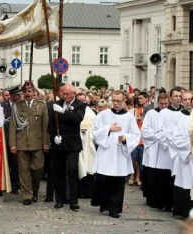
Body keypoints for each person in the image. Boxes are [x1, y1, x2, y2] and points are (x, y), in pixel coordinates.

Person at [91, 90, 140, 218]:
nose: (116, 103)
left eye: (119, 101)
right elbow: (95, 131)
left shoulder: (129, 117)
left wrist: (126, 138)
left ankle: (115, 209)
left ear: (124, 101)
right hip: (106, 152)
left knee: (117, 182)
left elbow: (136, 134)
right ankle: (104, 204)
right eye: (114, 101)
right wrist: (108, 129)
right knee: (104, 180)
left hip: (120, 154)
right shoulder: (103, 115)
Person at [9, 81, 49, 206]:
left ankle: (35, 191)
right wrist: (12, 144)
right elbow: (12, 126)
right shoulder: (17, 106)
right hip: (21, 142)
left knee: (37, 169)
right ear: (23, 93)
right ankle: (27, 195)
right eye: (25, 91)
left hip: (37, 142)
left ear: (34, 92)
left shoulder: (41, 106)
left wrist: (46, 143)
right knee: (23, 170)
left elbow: (45, 127)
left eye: (30, 91)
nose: (28, 93)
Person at [48, 84, 86, 210]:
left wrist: (63, 111)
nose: (64, 96)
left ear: (73, 93)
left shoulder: (80, 105)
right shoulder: (56, 103)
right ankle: (60, 199)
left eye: (67, 94)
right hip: (58, 145)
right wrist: (54, 136)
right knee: (58, 172)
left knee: (72, 170)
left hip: (72, 144)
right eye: (63, 93)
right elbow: (50, 124)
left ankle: (73, 200)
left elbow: (77, 119)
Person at [155, 87, 183, 212]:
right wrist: (171, 139)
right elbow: (158, 131)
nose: (178, 98)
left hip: (181, 150)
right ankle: (166, 203)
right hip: (166, 149)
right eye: (175, 96)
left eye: (179, 96)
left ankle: (177, 204)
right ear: (170, 98)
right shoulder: (163, 113)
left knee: (179, 177)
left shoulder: (186, 112)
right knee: (166, 177)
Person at [140, 93, 169, 209]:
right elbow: (145, 130)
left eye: (166, 104)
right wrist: (158, 136)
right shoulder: (151, 113)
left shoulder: (170, 114)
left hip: (165, 148)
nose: (164, 106)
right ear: (157, 102)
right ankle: (152, 198)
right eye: (161, 104)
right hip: (153, 147)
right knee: (152, 175)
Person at [170, 91, 193, 219]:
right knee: (186, 183)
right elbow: (176, 138)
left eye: (190, 99)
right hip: (187, 157)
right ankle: (185, 213)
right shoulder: (178, 117)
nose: (188, 102)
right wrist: (190, 146)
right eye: (185, 99)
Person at [1, 85, 22, 194]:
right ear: (11, 96)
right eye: (16, 95)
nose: (18, 97)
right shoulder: (2, 106)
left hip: (18, 139)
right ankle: (5, 184)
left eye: (19, 95)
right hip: (5, 138)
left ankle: (15, 185)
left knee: (15, 163)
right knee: (6, 162)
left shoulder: (21, 106)